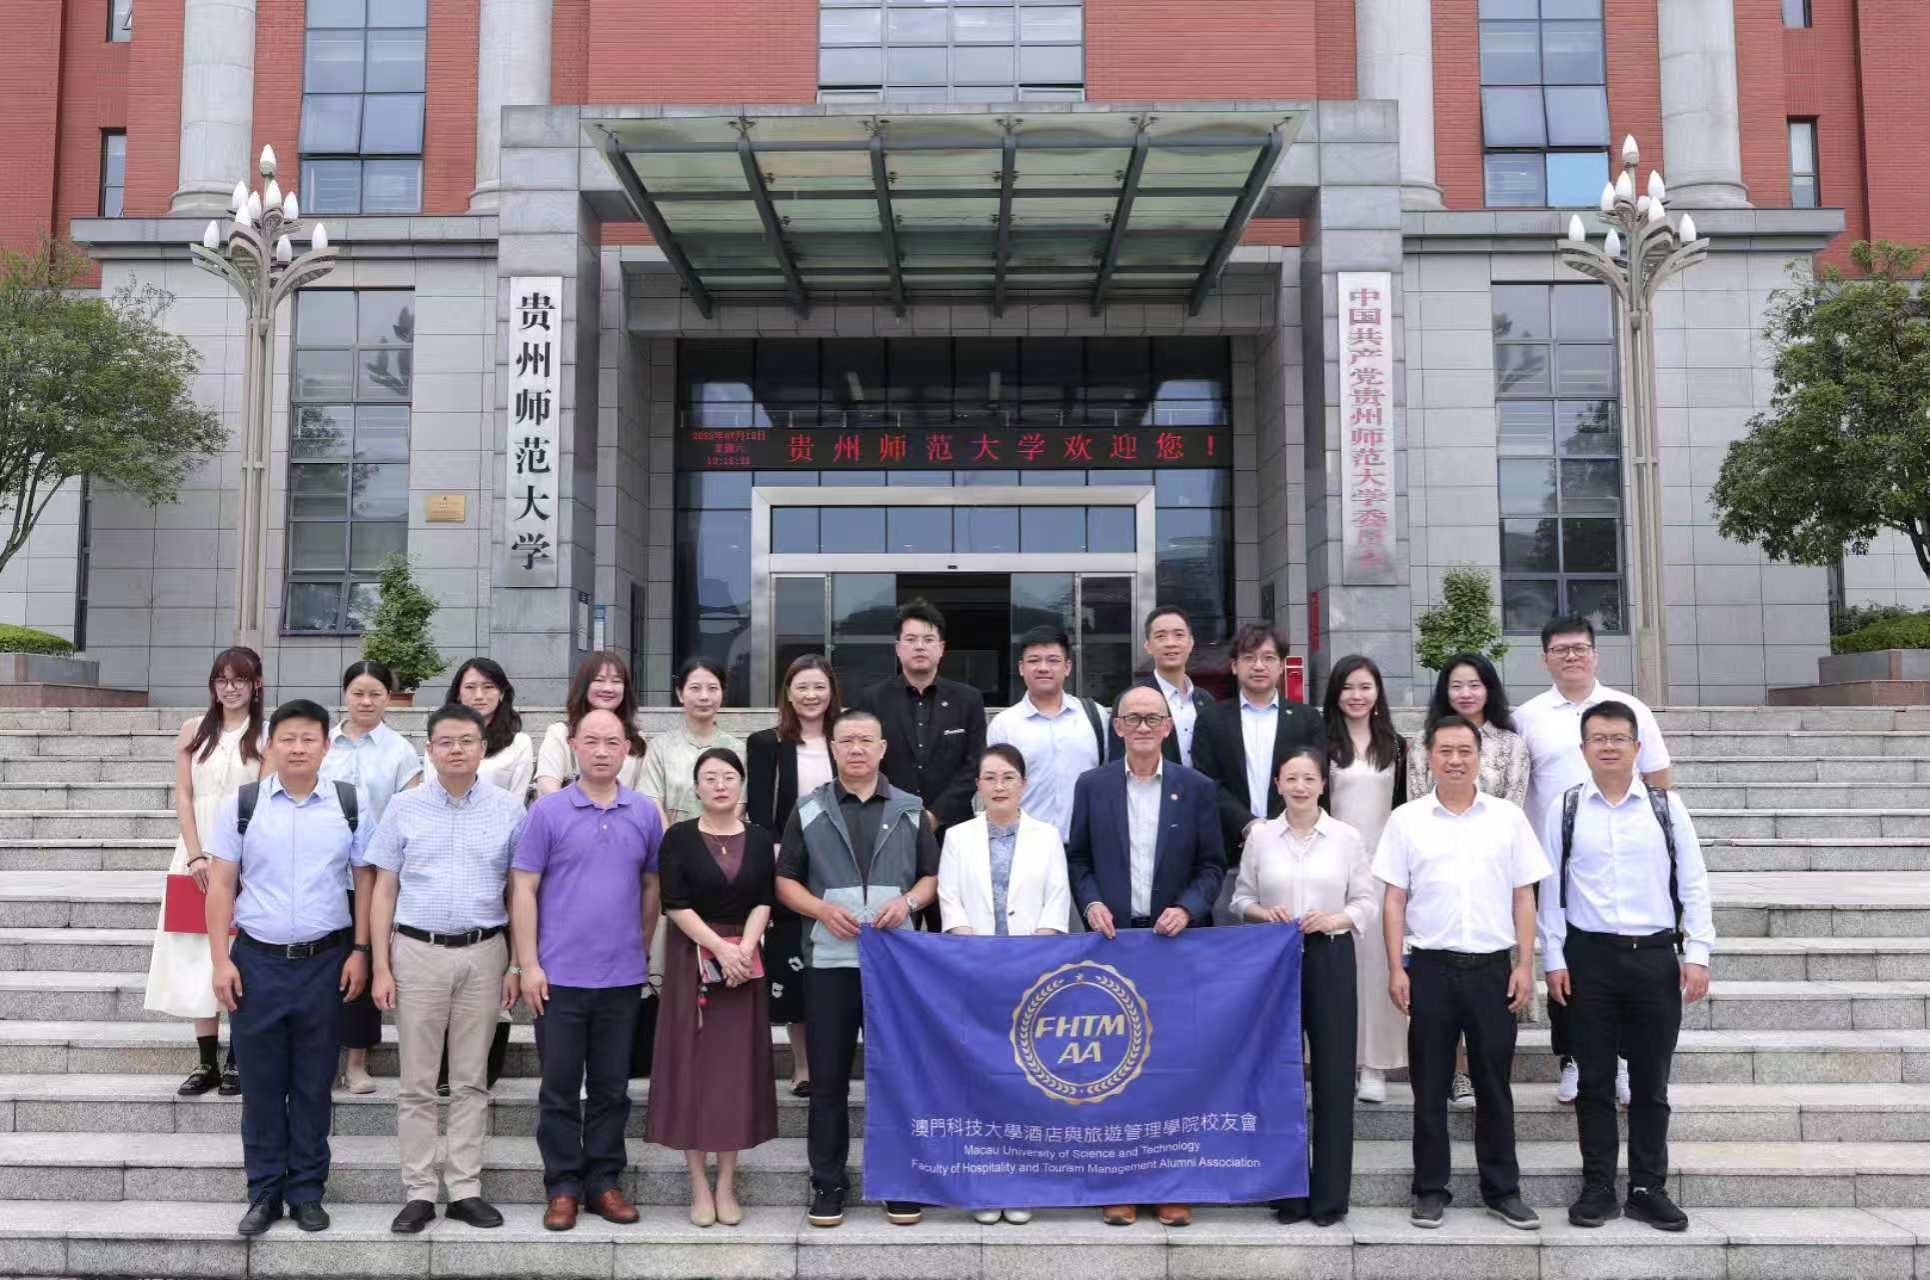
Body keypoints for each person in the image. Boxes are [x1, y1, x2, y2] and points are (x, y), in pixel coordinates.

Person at [1539, 701, 1714, 1233]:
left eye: (1619, 738)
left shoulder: (1666, 807)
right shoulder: (1566, 808)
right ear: (1583, 749)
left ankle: (1646, 1187)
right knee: (1593, 1080)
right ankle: (1598, 1186)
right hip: (1588, 960)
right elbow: (1551, 891)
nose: (1609, 746)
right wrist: (1553, 958)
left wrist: (1698, 953)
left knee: (1650, 1082)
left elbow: (1693, 882)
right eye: (1599, 738)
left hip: (1654, 958)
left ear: (1638, 747)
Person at [1373, 715, 1550, 1233]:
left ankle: (1503, 1191)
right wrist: (1395, 967)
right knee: (1429, 1087)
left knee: (1494, 1085)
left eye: (1464, 751)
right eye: (1445, 751)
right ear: (1429, 757)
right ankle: (1430, 1189)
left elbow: (1524, 896)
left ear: (1479, 757)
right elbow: (1394, 899)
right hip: (1430, 967)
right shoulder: (1407, 820)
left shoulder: (1507, 819)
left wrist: (1525, 963)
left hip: (1493, 970)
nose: (1454, 760)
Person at [205, 699, 373, 1237]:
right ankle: (264, 1192)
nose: (298, 748)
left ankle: (306, 1192)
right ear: (271, 746)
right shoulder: (243, 805)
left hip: (326, 961)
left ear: (326, 746)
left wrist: (361, 950)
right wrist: (220, 960)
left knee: (312, 1084)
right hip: (257, 962)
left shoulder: (349, 803)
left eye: (309, 738)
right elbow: (221, 885)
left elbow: (366, 880)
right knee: (260, 1085)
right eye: (288, 738)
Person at [1066, 684, 1225, 1228]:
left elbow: (1212, 865)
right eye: (1131, 718)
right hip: (1113, 944)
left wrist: (1188, 907)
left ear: (1168, 727)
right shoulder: (1092, 786)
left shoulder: (1196, 787)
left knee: (1172, 1069)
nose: (1141, 727)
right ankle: (1120, 1184)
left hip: (1173, 945)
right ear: (1116, 727)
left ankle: (1170, 1186)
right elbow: (1079, 859)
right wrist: (1090, 904)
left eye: (1152, 718)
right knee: (1116, 1069)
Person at [775, 707, 940, 1230]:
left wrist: (908, 903)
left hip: (895, 963)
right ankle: (828, 1182)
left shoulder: (911, 808)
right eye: (846, 740)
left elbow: (931, 877)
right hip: (830, 961)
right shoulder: (809, 808)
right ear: (833, 748)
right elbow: (785, 880)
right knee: (828, 1079)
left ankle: (900, 1181)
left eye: (866, 740)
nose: (856, 749)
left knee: (896, 1076)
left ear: (883, 748)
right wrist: (821, 909)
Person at [365, 704, 526, 1234]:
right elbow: (384, 888)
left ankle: (464, 1188)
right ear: (429, 750)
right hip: (417, 951)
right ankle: (418, 1191)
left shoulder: (510, 810)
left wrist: (517, 963)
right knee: (416, 1082)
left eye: (467, 741)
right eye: (446, 742)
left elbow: (518, 891)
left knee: (471, 1080)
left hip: (485, 952)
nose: (456, 750)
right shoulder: (404, 807)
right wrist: (381, 966)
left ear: (483, 747)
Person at [512, 708, 664, 1232]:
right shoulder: (548, 811)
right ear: (573, 745)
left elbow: (652, 886)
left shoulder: (643, 811)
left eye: (612, 742)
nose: (602, 751)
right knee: (558, 1087)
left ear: (627, 749)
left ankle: (603, 1181)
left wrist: (639, 947)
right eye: (591, 741)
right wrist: (528, 964)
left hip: (620, 977)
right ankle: (562, 1186)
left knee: (611, 1088)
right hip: (557, 977)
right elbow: (524, 888)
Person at [1515, 616, 1673, 1106]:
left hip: (1621, 858)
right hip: (1555, 863)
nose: (1571, 656)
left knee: (1619, 963)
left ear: (1595, 654)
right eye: (1560, 649)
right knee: (1565, 961)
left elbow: (1659, 779)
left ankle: (1621, 1060)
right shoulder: (1527, 717)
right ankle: (1572, 1058)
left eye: (1580, 648)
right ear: (1545, 659)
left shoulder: (1630, 709)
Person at [1231, 748, 1373, 1228]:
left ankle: (1330, 1197)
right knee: (1280, 1075)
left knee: (1334, 1074)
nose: (1300, 786)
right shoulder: (1261, 837)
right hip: (1274, 958)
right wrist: (1261, 912)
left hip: (1330, 954)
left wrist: (1335, 918)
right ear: (1277, 784)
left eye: (1309, 778)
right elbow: (1241, 897)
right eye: (1291, 778)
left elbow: (1366, 902)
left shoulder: (1346, 838)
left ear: (1322, 785)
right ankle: (1287, 1193)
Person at [938, 742, 1069, 1225]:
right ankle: (983, 1184)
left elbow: (1057, 899)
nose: (999, 786)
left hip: (1030, 974)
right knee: (979, 1079)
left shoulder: (1047, 836)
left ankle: (1021, 1184)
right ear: (977, 785)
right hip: (974, 972)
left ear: (1024, 785)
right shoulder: (958, 837)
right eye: (990, 777)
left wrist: (1032, 953)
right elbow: (949, 898)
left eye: (1008, 777)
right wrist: (971, 945)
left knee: (1025, 1081)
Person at [647, 747, 779, 1228]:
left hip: (745, 964)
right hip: (693, 960)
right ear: (696, 787)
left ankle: (725, 1183)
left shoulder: (760, 839)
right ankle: (698, 1185)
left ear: (741, 784)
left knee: (733, 1074)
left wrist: (743, 948)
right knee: (694, 1070)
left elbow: (764, 897)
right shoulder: (679, 838)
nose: (720, 785)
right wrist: (720, 949)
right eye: (710, 778)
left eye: (728, 777)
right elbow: (674, 903)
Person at [1406, 651, 1530, 1112]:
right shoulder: (1423, 743)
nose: (1465, 693)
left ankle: (1486, 1070)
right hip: (1438, 867)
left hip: (1495, 868)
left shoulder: (1511, 744)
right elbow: (1416, 801)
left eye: (1474, 684)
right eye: (1456, 685)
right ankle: (1457, 1072)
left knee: (1491, 988)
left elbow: (1515, 802)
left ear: (1489, 689)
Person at [146, 646, 263, 1099]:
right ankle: (206, 1062)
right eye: (222, 680)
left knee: (239, 953)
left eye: (240, 679)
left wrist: (242, 861)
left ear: (256, 685)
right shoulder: (193, 730)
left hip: (247, 860)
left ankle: (238, 1059)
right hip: (193, 857)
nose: (230, 688)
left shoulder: (267, 735)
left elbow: (264, 802)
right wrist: (196, 855)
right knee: (196, 953)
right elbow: (184, 795)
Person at [320, 659, 421, 1095]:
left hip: (375, 880)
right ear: (344, 694)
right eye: (358, 693)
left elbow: (410, 813)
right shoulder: (322, 744)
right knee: (324, 968)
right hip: (323, 877)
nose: (366, 701)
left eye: (375, 694)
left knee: (364, 962)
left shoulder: (400, 751)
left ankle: (357, 1062)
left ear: (388, 699)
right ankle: (321, 1058)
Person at [746, 654, 839, 1099]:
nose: (811, 695)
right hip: (789, 866)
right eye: (802, 686)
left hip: (842, 867)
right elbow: (761, 814)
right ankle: (802, 1066)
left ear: (832, 692)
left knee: (838, 966)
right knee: (793, 959)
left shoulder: (845, 739)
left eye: (819, 686)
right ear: (788, 692)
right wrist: (782, 861)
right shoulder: (766, 743)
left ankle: (834, 1060)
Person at [1319, 654, 1408, 1105]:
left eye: (1365, 687)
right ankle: (1337, 1060)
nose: (1356, 696)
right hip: (1331, 869)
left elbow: (1405, 808)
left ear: (1377, 693)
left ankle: (1374, 1065)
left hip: (1383, 870)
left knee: (1378, 968)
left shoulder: (1398, 746)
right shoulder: (1321, 743)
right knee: (1338, 970)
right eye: (1348, 687)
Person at [1192, 623, 1327, 880]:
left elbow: (1314, 778)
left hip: (1295, 845)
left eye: (1268, 658)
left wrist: (1275, 829)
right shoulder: (1211, 720)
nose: (1258, 666)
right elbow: (1208, 782)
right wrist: (1248, 824)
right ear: (1234, 666)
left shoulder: (1307, 719)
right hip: (1229, 849)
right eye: (1248, 658)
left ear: (1282, 666)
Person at [860, 598, 986, 860]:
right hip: (888, 826)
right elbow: (866, 762)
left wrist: (935, 815)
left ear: (941, 648)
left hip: (954, 830)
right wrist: (897, 811)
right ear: (898, 648)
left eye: (928, 640)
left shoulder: (968, 699)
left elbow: (974, 764)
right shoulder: (872, 700)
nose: (920, 646)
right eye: (911, 639)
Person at [986, 624, 1109, 841]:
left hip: (1086, 846)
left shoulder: (1095, 716)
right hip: (1026, 844)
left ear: (1067, 667)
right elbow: (995, 789)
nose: (1043, 668)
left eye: (1053, 660)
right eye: (1034, 660)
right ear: (1021, 668)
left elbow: (1109, 777)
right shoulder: (1004, 724)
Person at [639, 657, 745, 827]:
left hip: (722, 841)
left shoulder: (738, 750)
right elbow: (651, 800)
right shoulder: (660, 747)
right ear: (680, 694)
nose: (704, 696)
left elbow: (740, 804)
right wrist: (671, 839)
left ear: (722, 693)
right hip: (671, 841)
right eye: (695, 688)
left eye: (712, 688)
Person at [1106, 606, 1214, 766]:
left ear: (1191, 643)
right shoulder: (1130, 700)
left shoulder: (1205, 700)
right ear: (1148, 646)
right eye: (1161, 636)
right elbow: (1119, 763)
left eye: (1179, 635)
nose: (1171, 643)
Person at [535, 650, 648, 795]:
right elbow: (547, 788)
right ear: (584, 686)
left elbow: (643, 795)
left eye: (616, 681)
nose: (608, 688)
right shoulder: (560, 733)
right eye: (599, 680)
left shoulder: (637, 738)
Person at [430, 658, 534, 797]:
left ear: (502, 693)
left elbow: (517, 799)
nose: (479, 696)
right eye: (470, 687)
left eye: (488, 687)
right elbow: (431, 793)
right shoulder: (438, 740)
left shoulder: (520, 743)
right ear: (458, 693)